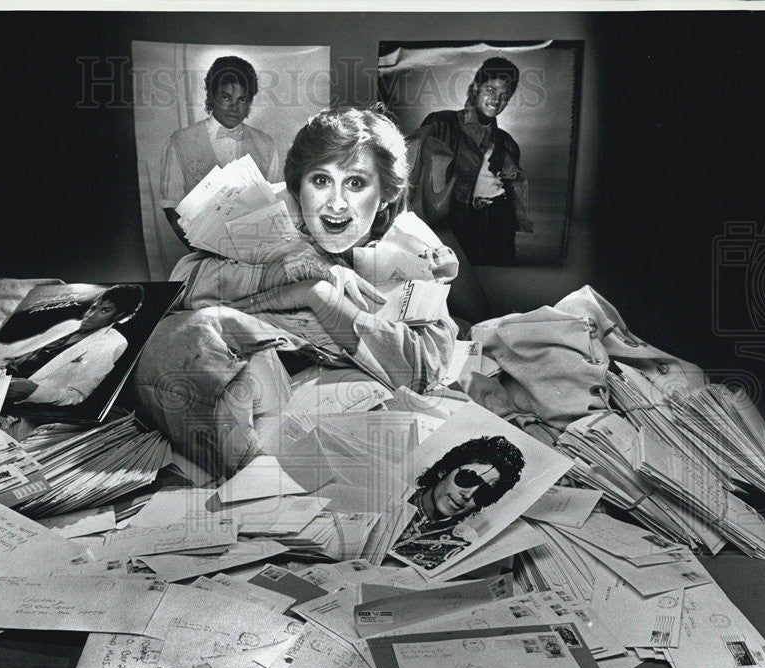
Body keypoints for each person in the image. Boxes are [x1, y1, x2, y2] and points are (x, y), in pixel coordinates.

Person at [132, 107, 459, 476]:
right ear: (298, 183)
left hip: (332, 391)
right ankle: (256, 480)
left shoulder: (410, 249)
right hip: (242, 375)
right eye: (320, 180)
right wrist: (277, 275)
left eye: (355, 183)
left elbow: (424, 367)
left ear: (384, 194)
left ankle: (265, 480)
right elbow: (185, 285)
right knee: (187, 333)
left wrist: (321, 298)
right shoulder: (268, 214)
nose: (336, 203)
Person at [409, 56, 533, 267]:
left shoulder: (508, 143)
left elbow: (512, 201)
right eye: (491, 90)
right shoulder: (441, 124)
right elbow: (414, 186)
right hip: (453, 234)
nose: (497, 100)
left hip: (497, 235)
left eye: (504, 96)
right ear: (475, 88)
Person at [159, 55, 282, 245]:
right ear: (210, 96)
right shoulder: (180, 142)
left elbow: (273, 206)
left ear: (250, 102)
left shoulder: (266, 145)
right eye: (226, 97)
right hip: (200, 252)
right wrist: (201, 249)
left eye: (242, 99)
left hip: (253, 252)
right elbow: (171, 207)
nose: (234, 107)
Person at [390, 435, 525, 571]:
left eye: (484, 493)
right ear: (444, 470)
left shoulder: (462, 545)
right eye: (468, 478)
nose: (468, 495)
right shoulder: (389, 494)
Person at [3, 284, 143, 406]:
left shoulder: (114, 342)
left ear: (119, 316)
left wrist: (32, 391)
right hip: (2, 378)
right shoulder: (69, 325)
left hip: (20, 399)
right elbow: (25, 349)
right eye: (93, 307)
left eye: (105, 310)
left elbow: (76, 396)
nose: (90, 315)